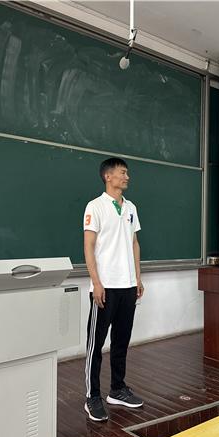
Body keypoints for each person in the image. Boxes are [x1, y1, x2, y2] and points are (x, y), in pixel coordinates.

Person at [83, 157, 145, 422]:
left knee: (121, 342)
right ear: (108, 176)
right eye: (122, 172)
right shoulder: (95, 206)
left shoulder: (131, 207)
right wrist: (96, 282)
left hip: (128, 286)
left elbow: (134, 243)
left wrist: (137, 278)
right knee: (96, 345)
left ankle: (117, 389)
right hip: (105, 287)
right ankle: (92, 397)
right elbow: (88, 246)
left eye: (127, 173)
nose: (127, 177)